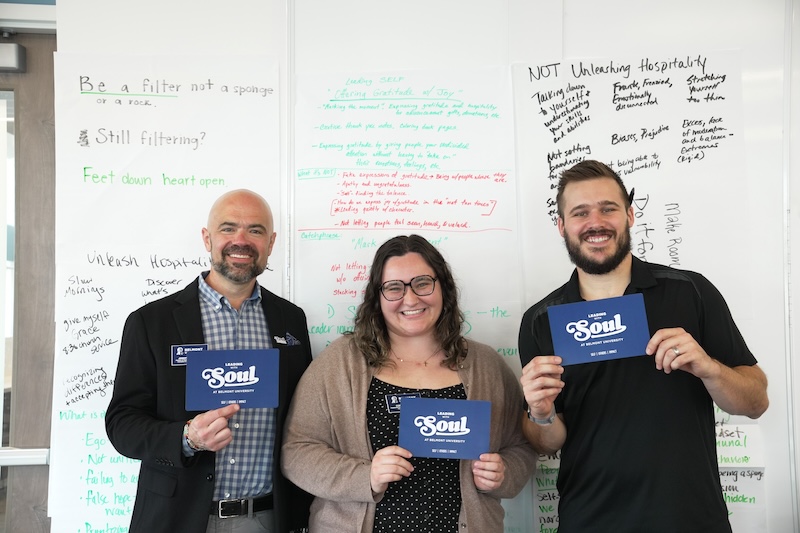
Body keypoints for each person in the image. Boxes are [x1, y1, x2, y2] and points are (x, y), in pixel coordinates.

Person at [518, 160, 769, 533]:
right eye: (580, 212)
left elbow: (756, 402)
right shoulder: (542, 320)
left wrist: (709, 368)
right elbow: (546, 442)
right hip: (590, 520)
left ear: (630, 215)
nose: (596, 222)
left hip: (691, 517)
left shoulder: (691, 292)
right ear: (561, 226)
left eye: (609, 208)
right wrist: (540, 412)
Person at [282, 234, 536, 532]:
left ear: (443, 287)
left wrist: (503, 474)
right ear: (377, 297)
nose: (411, 298)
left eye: (422, 283)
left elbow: (521, 445)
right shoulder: (340, 363)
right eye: (394, 288)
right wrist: (366, 476)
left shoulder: (486, 364)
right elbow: (296, 452)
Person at [106, 189, 313, 533]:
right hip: (178, 519)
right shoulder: (152, 323)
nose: (241, 240)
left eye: (256, 231)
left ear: (271, 242)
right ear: (207, 238)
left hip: (268, 519)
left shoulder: (291, 321)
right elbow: (122, 424)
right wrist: (187, 437)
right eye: (228, 228)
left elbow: (304, 417)